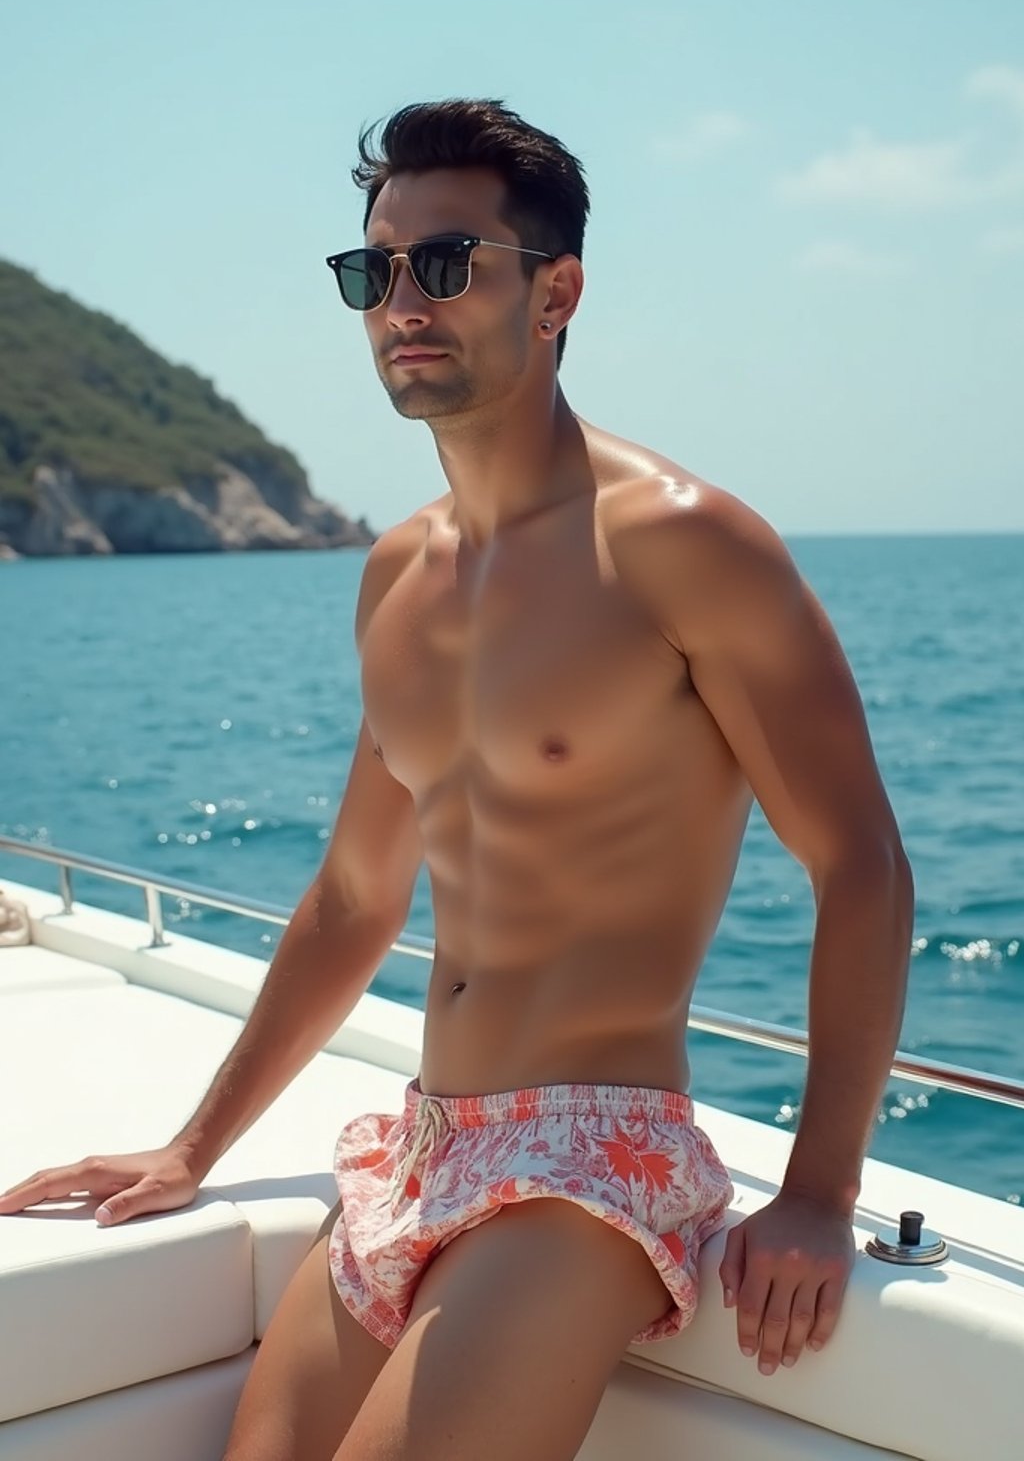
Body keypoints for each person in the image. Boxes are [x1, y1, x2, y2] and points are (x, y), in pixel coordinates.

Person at [0, 98, 914, 1461]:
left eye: (447, 264)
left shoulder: (684, 546)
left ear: (558, 292)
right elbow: (356, 897)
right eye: (374, 272)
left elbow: (860, 866)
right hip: (421, 1147)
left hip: (593, 1164)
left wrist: (821, 1191)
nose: (400, 304)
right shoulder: (398, 575)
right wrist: (193, 1147)